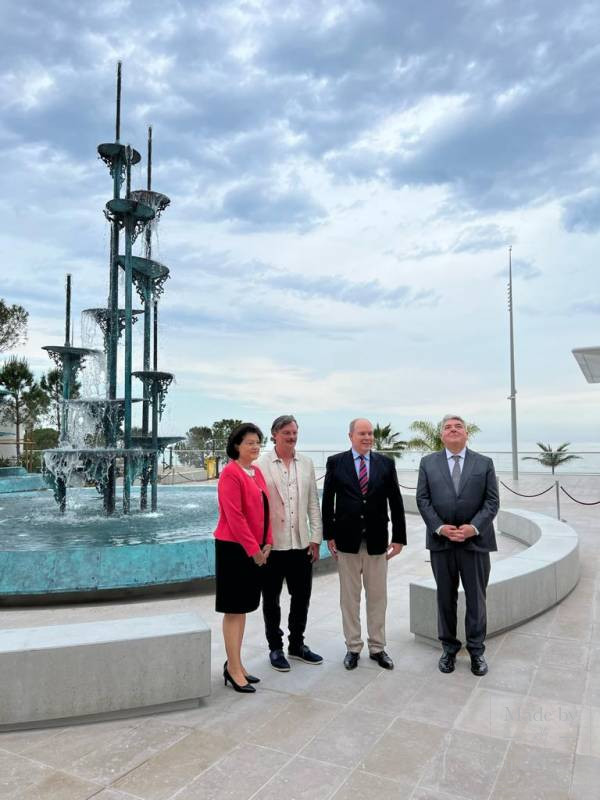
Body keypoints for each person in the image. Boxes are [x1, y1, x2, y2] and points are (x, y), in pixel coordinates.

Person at [416, 414, 499, 676]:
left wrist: (472, 528)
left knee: (476, 599)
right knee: (445, 598)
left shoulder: (484, 463)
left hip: (474, 544)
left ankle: (476, 652)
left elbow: (492, 501)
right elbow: (423, 499)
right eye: (448, 427)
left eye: (458, 426)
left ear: (466, 434)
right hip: (442, 544)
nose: (453, 430)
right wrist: (441, 528)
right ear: (441, 435)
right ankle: (448, 650)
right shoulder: (427, 463)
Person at [322, 418, 406, 670]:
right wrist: (329, 535)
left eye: (370, 433)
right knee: (349, 599)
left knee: (377, 597)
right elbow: (328, 501)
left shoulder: (385, 463)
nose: (367, 437)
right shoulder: (336, 462)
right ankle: (353, 647)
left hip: (377, 541)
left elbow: (396, 501)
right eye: (362, 433)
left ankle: (378, 647)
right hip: (346, 541)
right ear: (350, 436)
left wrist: (399, 537)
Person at [255, 414, 323, 672]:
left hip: (301, 544)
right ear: (274, 434)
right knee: (271, 599)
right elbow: (256, 507)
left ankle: (297, 644)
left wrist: (315, 538)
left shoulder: (306, 463)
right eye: (287, 433)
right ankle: (275, 647)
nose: (292, 437)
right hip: (273, 546)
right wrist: (260, 543)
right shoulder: (261, 464)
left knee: (301, 597)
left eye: (295, 433)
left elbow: (313, 504)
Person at [213, 423, 273, 693]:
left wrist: (268, 541)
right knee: (233, 609)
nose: (255, 446)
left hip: (255, 548)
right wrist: (254, 550)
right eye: (250, 442)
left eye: (258, 441)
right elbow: (234, 517)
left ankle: (236, 663)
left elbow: (265, 509)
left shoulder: (256, 472)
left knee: (244, 607)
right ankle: (233, 669)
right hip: (233, 550)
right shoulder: (230, 474)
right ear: (237, 445)